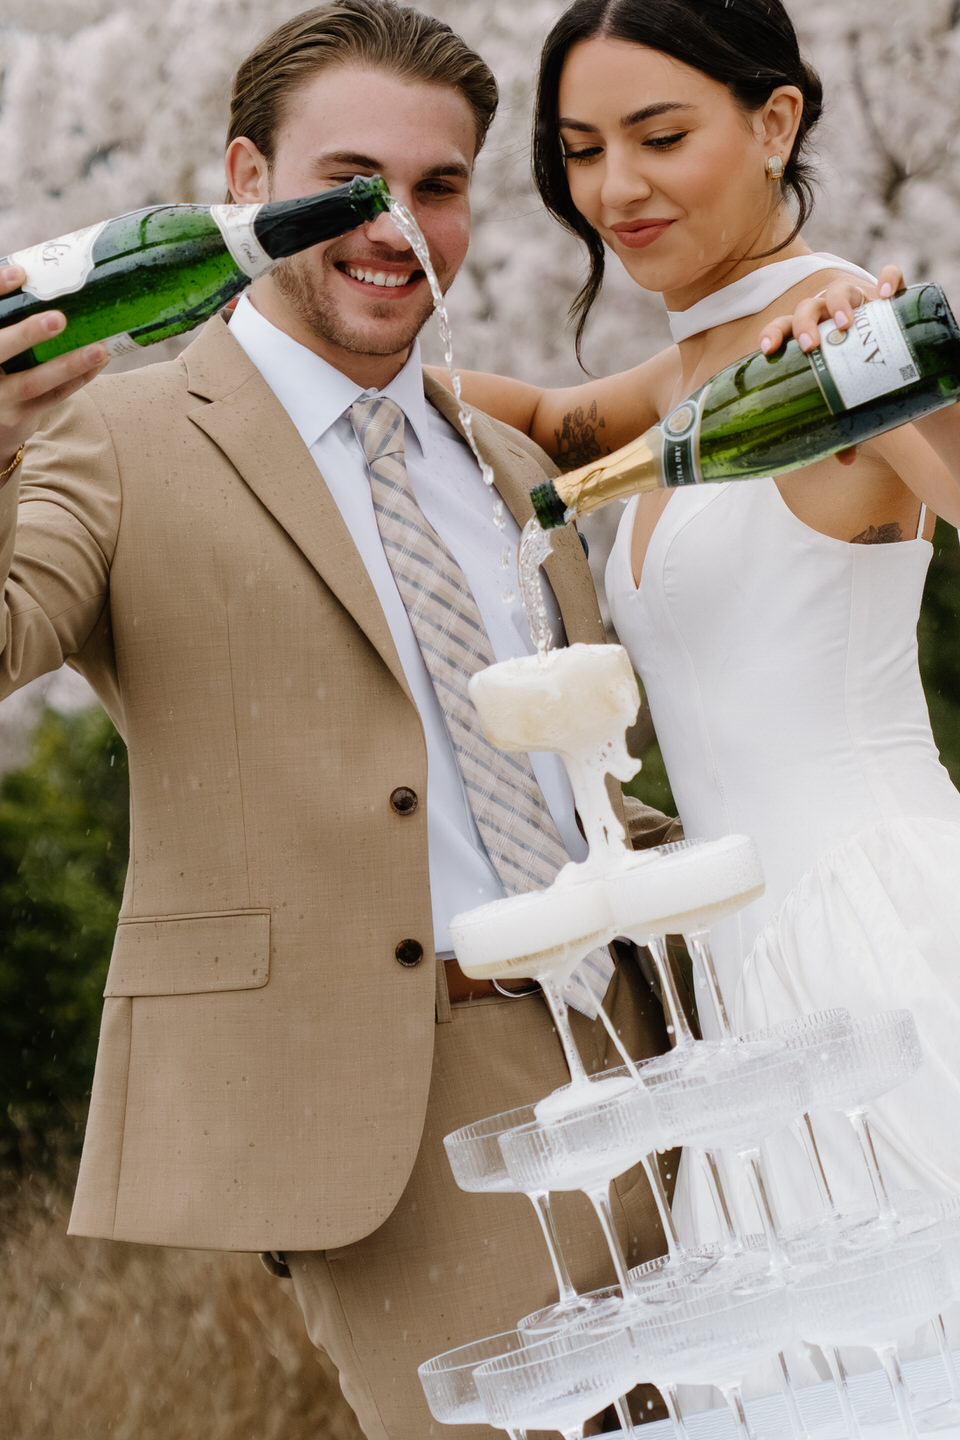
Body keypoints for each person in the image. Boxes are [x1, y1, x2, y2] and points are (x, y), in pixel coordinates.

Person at [0, 4, 681, 1437]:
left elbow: (582, 783)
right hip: (401, 1103)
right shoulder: (103, 437)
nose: (397, 226)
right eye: (352, 182)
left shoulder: (496, 464)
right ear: (246, 182)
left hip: (646, 1054)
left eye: (439, 188)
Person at [439, 0, 960, 1250]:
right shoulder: (687, 374)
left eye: (661, 136)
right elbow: (524, 420)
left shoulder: (843, 340)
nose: (616, 187)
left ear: (775, 120)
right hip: (741, 965)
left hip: (874, 926)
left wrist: (906, 378)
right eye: (579, 149)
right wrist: (278, 346)